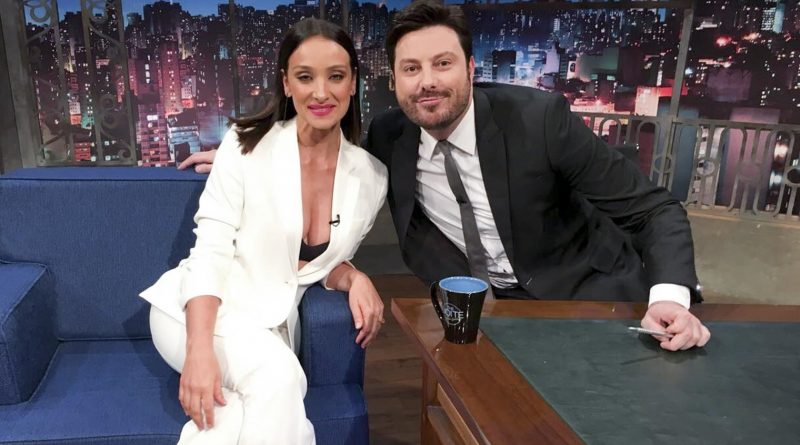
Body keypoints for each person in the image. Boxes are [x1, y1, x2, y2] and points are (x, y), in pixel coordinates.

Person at [180, 1, 710, 352]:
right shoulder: (390, 138)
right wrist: (243, 153)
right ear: (393, 80)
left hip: (590, 296)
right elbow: (323, 150)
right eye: (411, 69)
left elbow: (654, 209)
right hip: (486, 315)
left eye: (442, 64)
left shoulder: (538, 121)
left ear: (471, 69)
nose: (427, 82)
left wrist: (669, 296)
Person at [141, 18, 388, 444]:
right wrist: (200, 350)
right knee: (281, 376)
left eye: (335, 76)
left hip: (267, 328)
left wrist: (353, 276)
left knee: (232, 421)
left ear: (353, 83)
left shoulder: (372, 179)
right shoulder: (245, 146)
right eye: (305, 77)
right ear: (287, 84)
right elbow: (211, 251)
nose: (321, 92)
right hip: (194, 315)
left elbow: (307, 264)